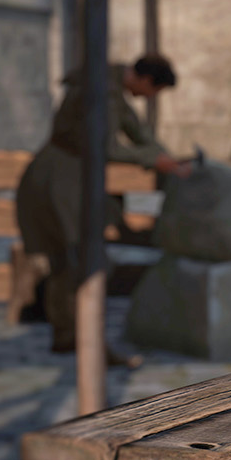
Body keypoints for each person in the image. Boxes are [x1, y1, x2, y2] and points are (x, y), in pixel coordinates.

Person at [16, 55, 189, 363]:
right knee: (84, 259)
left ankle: (69, 336)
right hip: (63, 178)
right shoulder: (103, 92)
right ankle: (88, 343)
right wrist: (154, 159)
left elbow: (136, 130)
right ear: (146, 81)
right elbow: (106, 146)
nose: (150, 97)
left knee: (68, 262)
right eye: (154, 91)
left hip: (62, 174)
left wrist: (165, 157)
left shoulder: (110, 85)